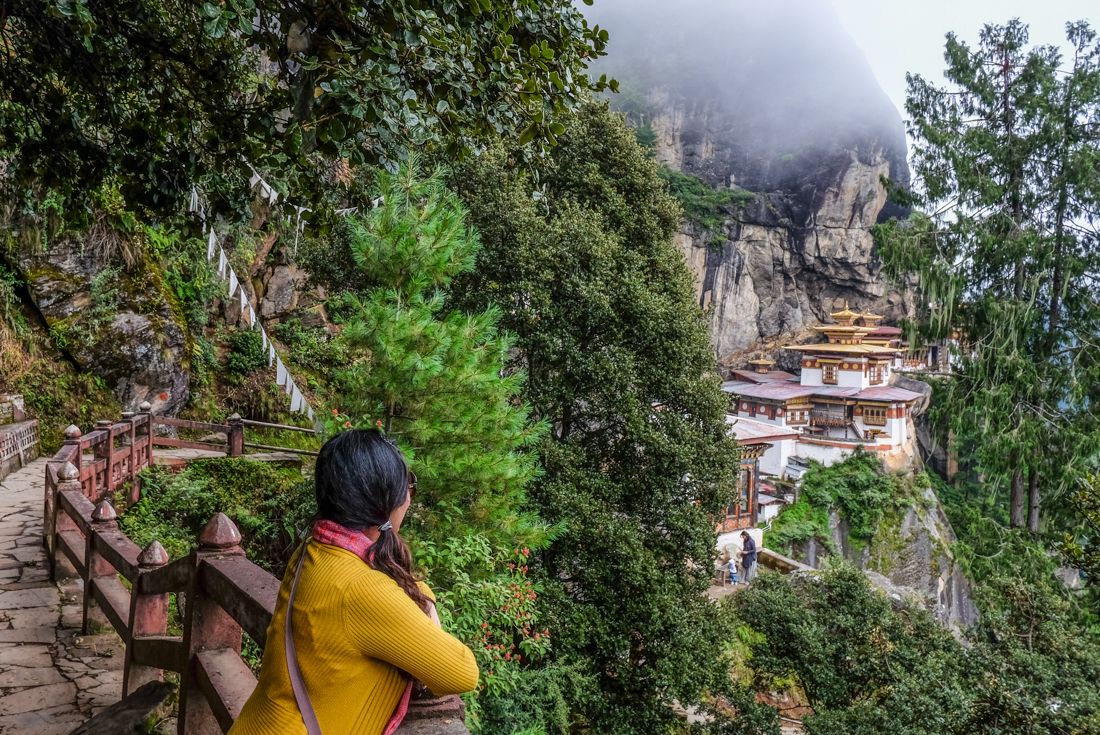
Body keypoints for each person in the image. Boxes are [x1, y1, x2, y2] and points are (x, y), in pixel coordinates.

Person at [229, 429, 479, 735]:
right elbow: (462, 673)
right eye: (408, 486)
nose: (410, 497)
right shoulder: (364, 590)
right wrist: (424, 603)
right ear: (385, 502)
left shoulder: (312, 549)